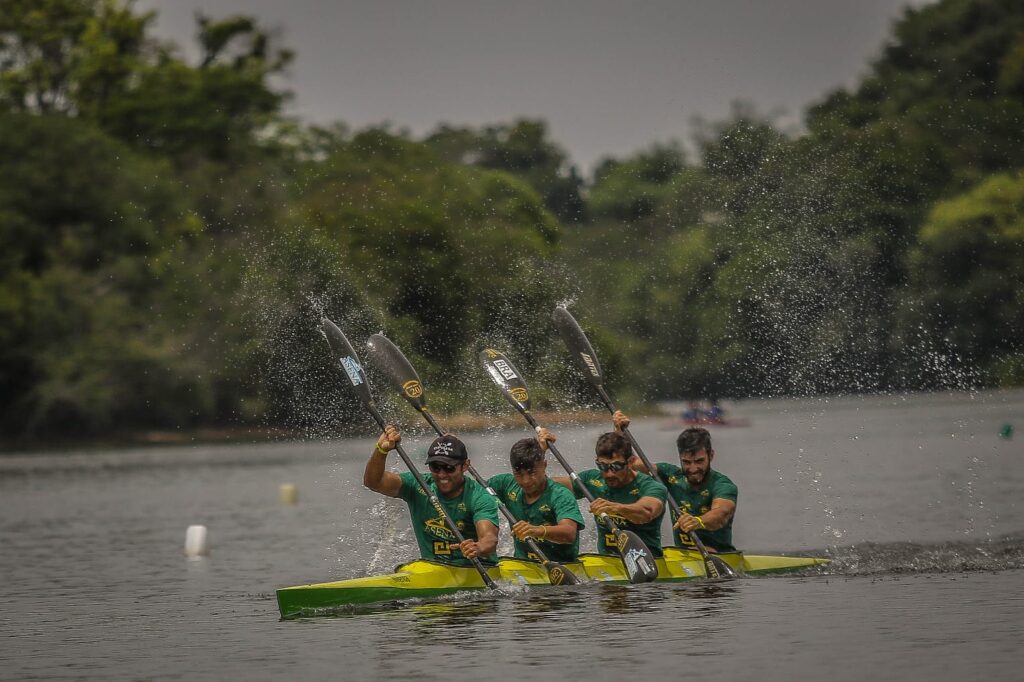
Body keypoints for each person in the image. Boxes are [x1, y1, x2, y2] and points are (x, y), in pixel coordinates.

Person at [363, 426, 499, 566]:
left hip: (476, 567)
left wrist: (478, 548)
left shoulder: (479, 497)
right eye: (435, 467)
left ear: (465, 466)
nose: (442, 474)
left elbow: (489, 539)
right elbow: (373, 482)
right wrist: (381, 450)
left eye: (449, 468)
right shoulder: (418, 485)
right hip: (433, 568)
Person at [617, 411, 737, 552]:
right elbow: (631, 462)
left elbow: (721, 514)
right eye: (686, 462)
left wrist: (698, 521)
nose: (693, 469)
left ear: (711, 455)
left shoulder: (722, 485)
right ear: (680, 457)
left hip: (718, 555)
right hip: (682, 556)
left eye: (699, 461)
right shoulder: (670, 475)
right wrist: (620, 431)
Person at [549, 425, 667, 557]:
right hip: (607, 560)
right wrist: (540, 451)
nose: (609, 473)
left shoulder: (651, 486)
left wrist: (615, 508)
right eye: (603, 466)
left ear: (631, 462)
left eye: (616, 466)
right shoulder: (592, 479)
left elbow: (646, 513)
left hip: (645, 560)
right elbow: (546, 486)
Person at [487, 434, 586, 563]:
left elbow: (569, 533)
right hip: (522, 566)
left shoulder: (560, 495)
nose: (525, 481)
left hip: (561, 565)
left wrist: (537, 530)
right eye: (518, 474)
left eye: (531, 473)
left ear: (544, 465)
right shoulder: (506, 484)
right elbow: (472, 493)